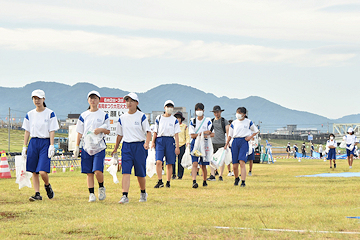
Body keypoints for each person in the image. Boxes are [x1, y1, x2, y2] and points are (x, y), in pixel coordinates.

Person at [112, 93, 151, 204]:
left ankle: (143, 193)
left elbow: (148, 132)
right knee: (126, 172)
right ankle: (124, 196)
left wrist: (147, 143)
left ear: (137, 103)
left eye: (132, 101)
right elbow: (119, 135)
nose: (129, 103)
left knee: (140, 173)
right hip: (127, 146)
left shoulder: (141, 116)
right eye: (127, 100)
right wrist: (115, 148)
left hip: (139, 146)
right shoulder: (122, 118)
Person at [22, 89, 59, 201]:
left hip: (45, 142)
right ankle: (37, 194)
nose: (37, 100)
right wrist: (24, 146)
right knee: (34, 171)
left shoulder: (50, 113)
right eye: (34, 98)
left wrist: (52, 145)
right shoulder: (30, 114)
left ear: (44, 99)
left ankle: (47, 185)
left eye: (39, 98)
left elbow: (52, 130)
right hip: (33, 142)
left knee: (42, 171)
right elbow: (27, 131)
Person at [74, 91, 110, 202]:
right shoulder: (83, 115)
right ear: (88, 100)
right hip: (87, 146)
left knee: (97, 170)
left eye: (95, 98)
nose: (93, 100)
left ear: (99, 100)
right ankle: (91, 194)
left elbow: (108, 130)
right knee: (89, 172)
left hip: (99, 146)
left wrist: (100, 130)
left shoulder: (103, 115)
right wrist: (76, 146)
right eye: (91, 98)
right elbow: (79, 132)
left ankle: (101, 187)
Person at [224, 107, 259, 187]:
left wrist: (250, 137)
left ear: (244, 114)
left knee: (242, 162)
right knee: (235, 164)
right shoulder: (234, 123)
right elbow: (230, 135)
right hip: (235, 141)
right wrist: (226, 143)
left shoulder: (248, 122)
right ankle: (236, 178)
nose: (238, 115)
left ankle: (243, 181)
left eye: (240, 113)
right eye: (237, 113)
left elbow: (256, 131)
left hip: (244, 141)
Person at [152, 100, 181, 188]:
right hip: (160, 140)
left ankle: (168, 182)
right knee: (158, 161)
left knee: (169, 163)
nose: (169, 108)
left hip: (170, 140)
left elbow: (176, 134)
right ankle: (160, 180)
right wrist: (153, 142)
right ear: (164, 108)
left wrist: (177, 147)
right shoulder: (159, 118)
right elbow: (155, 131)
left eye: (171, 107)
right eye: (168, 106)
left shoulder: (174, 120)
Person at [189, 103, 214, 188]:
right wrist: (203, 133)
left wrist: (201, 135)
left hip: (205, 144)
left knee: (204, 164)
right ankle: (194, 181)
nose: (199, 112)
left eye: (200, 110)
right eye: (197, 110)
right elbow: (192, 135)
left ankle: (204, 180)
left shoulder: (208, 121)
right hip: (195, 144)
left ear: (203, 111)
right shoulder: (193, 121)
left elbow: (212, 133)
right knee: (195, 163)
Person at [207, 105, 229, 181]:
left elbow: (228, 131)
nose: (216, 114)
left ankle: (220, 175)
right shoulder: (211, 121)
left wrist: (227, 142)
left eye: (218, 112)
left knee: (221, 160)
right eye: (215, 112)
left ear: (220, 112)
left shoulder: (224, 121)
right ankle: (212, 175)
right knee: (211, 159)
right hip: (212, 143)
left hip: (221, 142)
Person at [173, 111, 190, 179]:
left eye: (179, 118)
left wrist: (187, 142)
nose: (178, 119)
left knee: (181, 161)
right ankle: (173, 174)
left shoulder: (184, 126)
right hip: (173, 144)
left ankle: (180, 175)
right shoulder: (173, 126)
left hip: (182, 145)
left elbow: (187, 136)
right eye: (176, 118)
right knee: (172, 160)